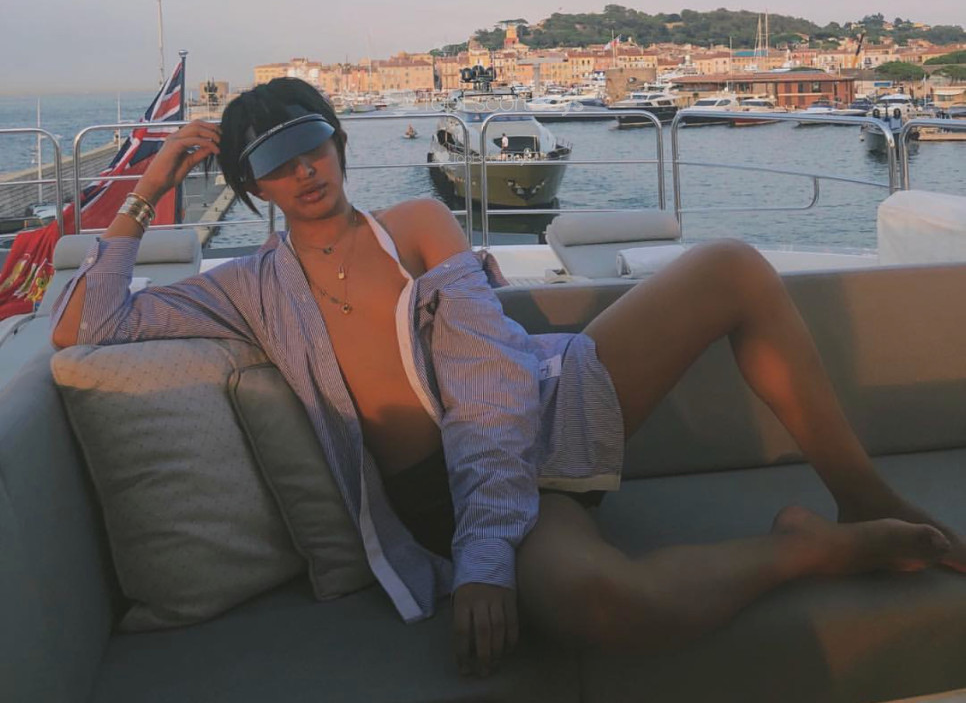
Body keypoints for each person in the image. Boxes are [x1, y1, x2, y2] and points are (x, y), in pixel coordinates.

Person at [52, 78, 965, 679]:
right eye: (275, 164)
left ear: (338, 142)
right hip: (458, 493)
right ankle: (809, 549)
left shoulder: (415, 227)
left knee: (731, 264)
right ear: (253, 188)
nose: (304, 171)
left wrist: (489, 549)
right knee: (605, 605)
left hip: (539, 419)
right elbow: (90, 324)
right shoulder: (251, 289)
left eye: (313, 145)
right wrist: (155, 180)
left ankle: (860, 494)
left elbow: (491, 382)